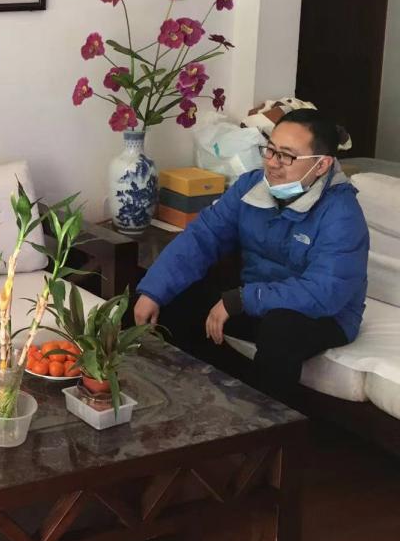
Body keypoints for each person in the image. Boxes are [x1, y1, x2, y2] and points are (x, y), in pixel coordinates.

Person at [133, 109, 369, 399]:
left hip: (324, 315)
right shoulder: (251, 186)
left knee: (281, 329)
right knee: (175, 296)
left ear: (321, 165)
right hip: (256, 299)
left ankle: (263, 419)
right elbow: (202, 237)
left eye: (286, 156)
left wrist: (242, 299)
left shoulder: (342, 214)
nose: (272, 163)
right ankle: (189, 396)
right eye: (270, 150)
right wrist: (154, 290)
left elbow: (325, 291)